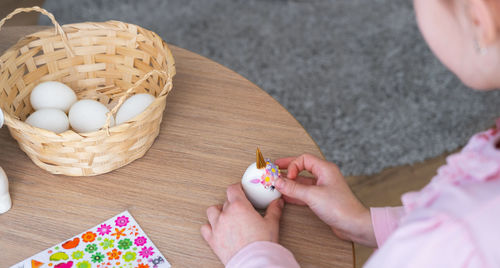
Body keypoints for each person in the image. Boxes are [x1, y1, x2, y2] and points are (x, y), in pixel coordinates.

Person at [200, 0, 500, 266]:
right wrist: (364, 223)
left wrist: (252, 254)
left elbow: (453, 241)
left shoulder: (457, 237)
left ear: (478, 19)